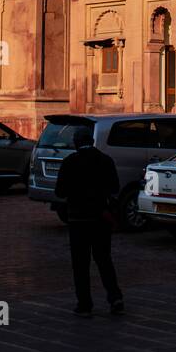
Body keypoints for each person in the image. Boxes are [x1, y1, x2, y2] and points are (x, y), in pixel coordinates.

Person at [53, 127, 123, 316]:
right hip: (101, 218)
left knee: (80, 264)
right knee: (104, 260)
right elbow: (114, 187)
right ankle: (115, 297)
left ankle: (84, 304)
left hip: (78, 219)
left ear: (76, 142)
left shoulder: (70, 162)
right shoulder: (105, 160)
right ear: (91, 141)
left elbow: (60, 191)